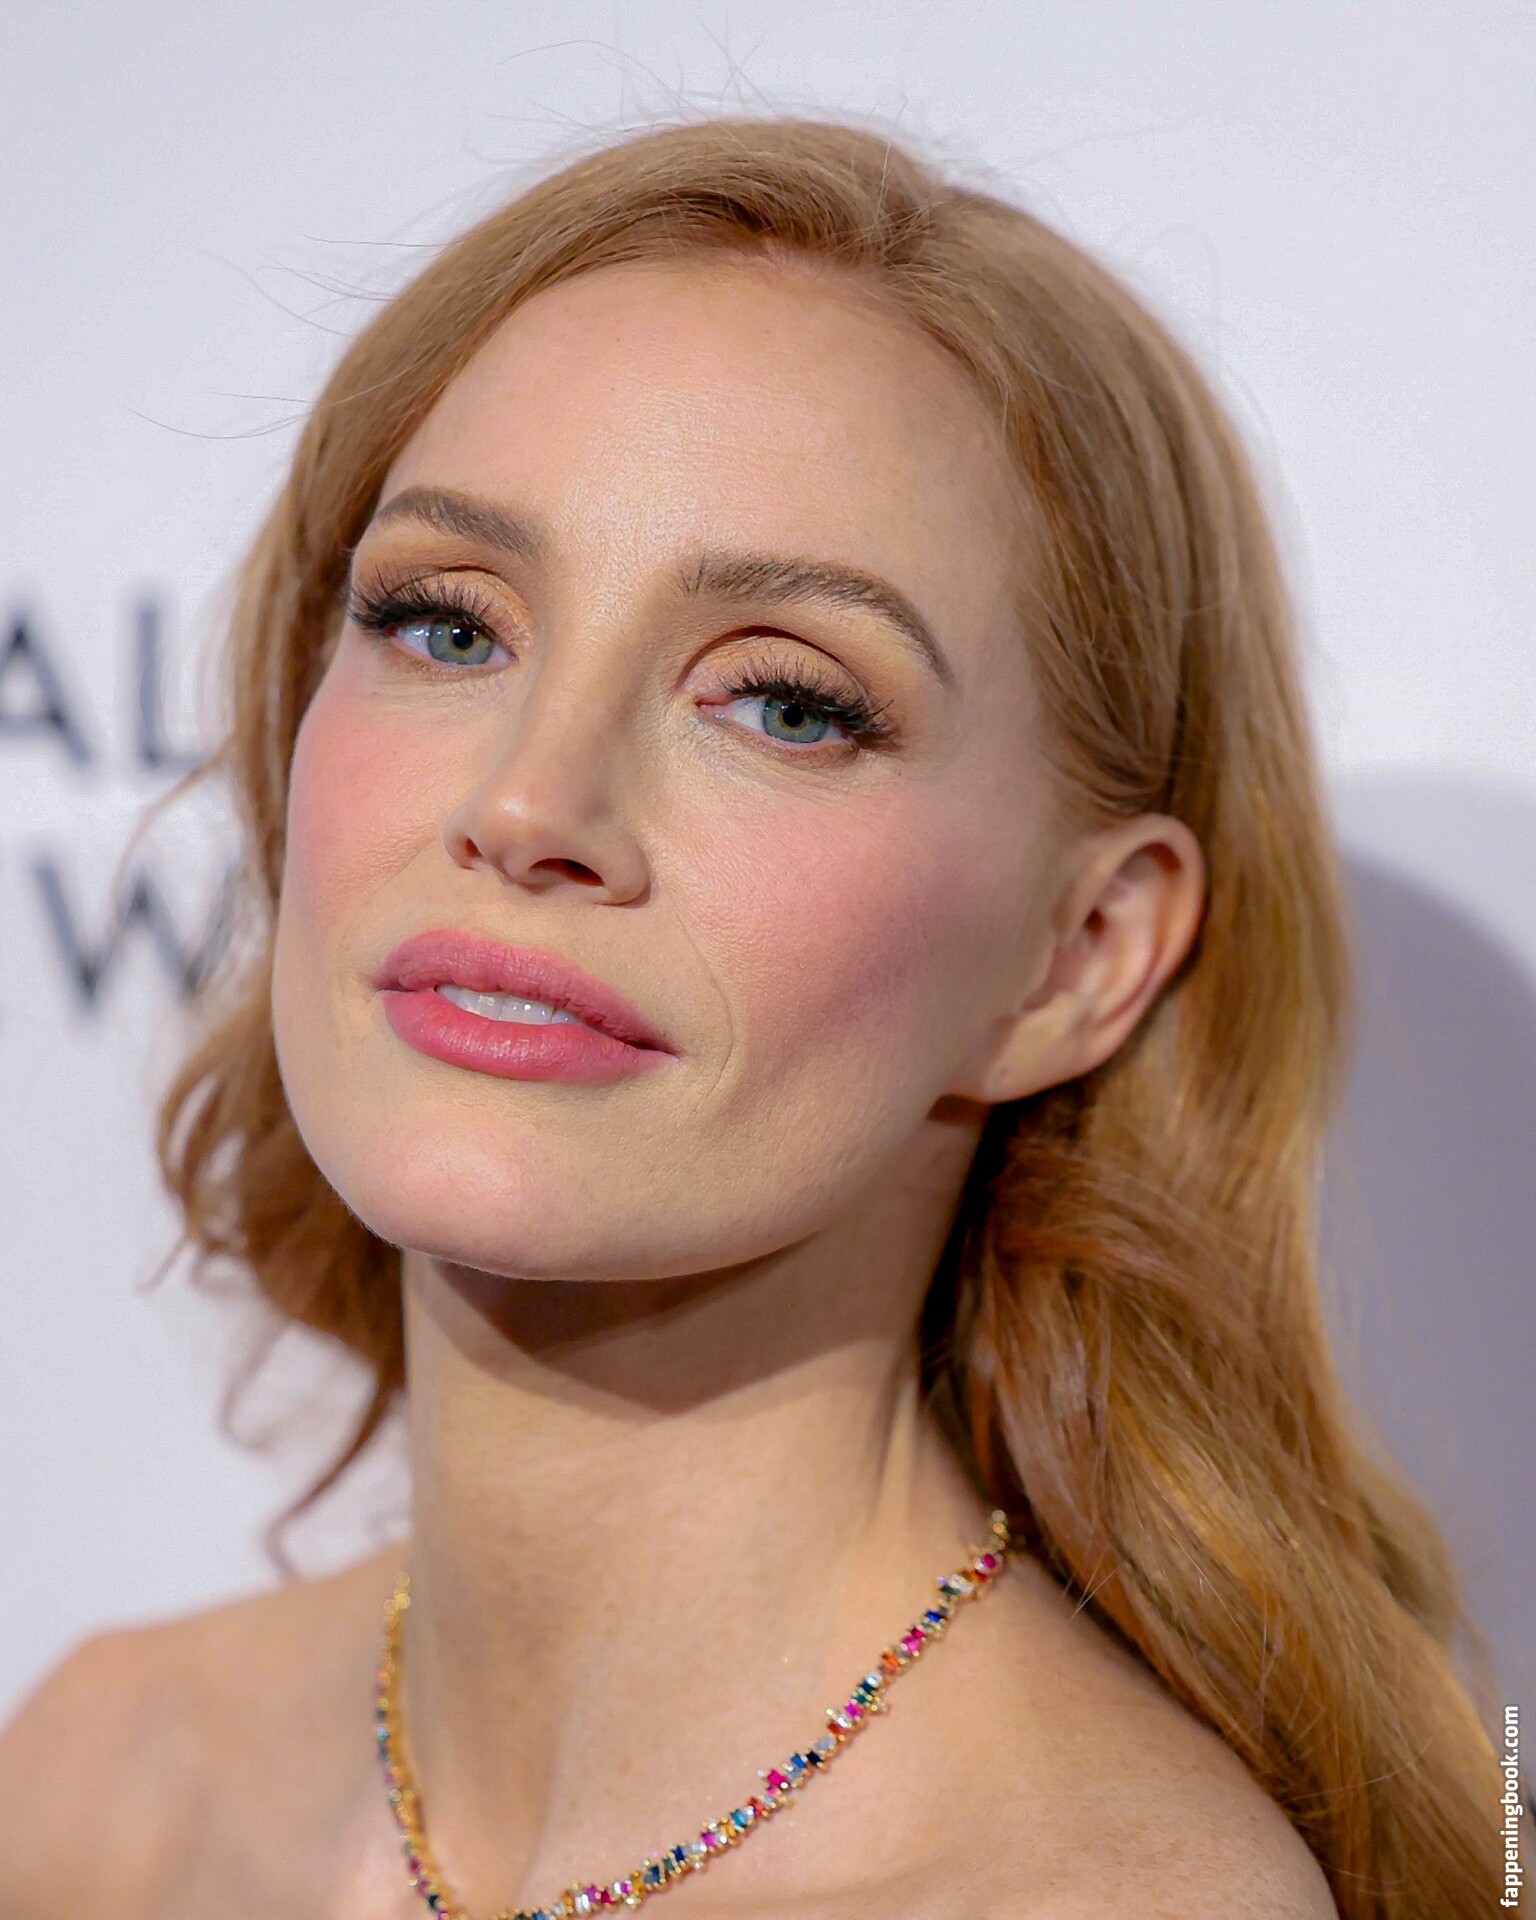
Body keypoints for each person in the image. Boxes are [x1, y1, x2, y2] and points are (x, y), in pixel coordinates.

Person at [0, 114, 1507, 1919]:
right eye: (448, 624)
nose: (530, 802)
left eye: (786, 704)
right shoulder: (99, 1780)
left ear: (1077, 957)